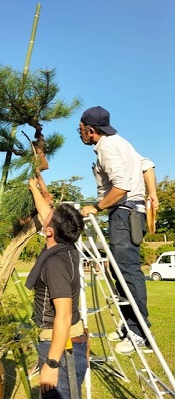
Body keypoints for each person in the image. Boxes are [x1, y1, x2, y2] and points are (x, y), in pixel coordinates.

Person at [78, 106, 159, 355]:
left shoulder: (107, 147)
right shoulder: (121, 142)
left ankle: (139, 333)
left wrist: (96, 207)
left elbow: (121, 187)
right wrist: (152, 193)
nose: (80, 134)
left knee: (128, 272)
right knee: (118, 270)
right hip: (129, 211)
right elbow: (148, 165)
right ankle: (129, 325)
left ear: (91, 130)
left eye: (80, 129)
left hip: (124, 212)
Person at [26, 176, 87, 399]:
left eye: (50, 217)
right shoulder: (67, 246)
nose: (46, 213)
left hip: (60, 347)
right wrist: (34, 187)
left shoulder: (54, 263)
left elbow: (63, 315)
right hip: (67, 343)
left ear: (49, 231)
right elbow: (45, 213)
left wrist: (52, 364)